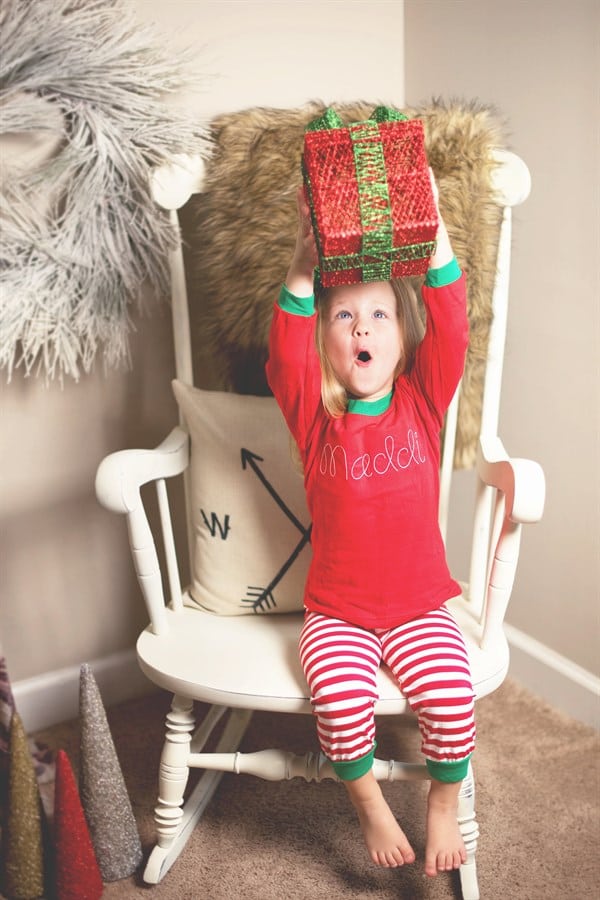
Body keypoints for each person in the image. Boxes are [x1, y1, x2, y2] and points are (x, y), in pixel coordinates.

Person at [265, 174, 475, 878]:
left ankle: (442, 803)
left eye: (379, 316)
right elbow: (285, 352)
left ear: (404, 336)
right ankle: (368, 802)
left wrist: (435, 228)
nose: (360, 328)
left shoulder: (422, 401)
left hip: (419, 606)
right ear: (327, 341)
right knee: (337, 695)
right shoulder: (312, 418)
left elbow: (453, 322)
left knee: (451, 698)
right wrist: (303, 261)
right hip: (340, 613)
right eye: (343, 316)